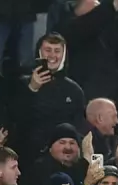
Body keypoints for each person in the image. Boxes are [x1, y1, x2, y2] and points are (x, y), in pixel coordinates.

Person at [16, 33, 86, 164]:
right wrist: (32, 89)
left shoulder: (74, 90)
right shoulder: (22, 83)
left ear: (64, 54)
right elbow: (16, 119)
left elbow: (78, 127)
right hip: (30, 157)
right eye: (48, 50)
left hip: (64, 160)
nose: (52, 56)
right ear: (39, 52)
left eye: (57, 51)